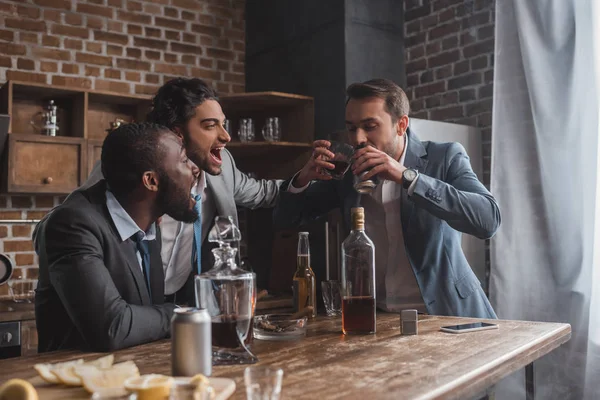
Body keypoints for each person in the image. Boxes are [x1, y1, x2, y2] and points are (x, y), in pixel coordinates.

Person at [35, 78, 280, 305]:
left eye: (223, 124)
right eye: (210, 126)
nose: (226, 136)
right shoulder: (132, 163)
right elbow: (61, 225)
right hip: (127, 303)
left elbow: (262, 194)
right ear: (177, 133)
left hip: (188, 299)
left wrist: (307, 180)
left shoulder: (220, 164)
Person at [273, 78, 501, 319]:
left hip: (447, 315)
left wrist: (407, 177)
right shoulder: (349, 172)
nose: (358, 138)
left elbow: (487, 220)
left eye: (370, 126)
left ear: (401, 125)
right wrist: (302, 180)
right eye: (352, 128)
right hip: (377, 319)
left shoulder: (443, 157)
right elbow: (285, 220)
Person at [35, 123, 198, 352]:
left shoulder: (149, 225)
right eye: (183, 160)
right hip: (77, 381)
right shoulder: (73, 225)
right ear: (151, 181)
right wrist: (187, 313)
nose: (194, 168)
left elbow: (147, 318)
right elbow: (112, 327)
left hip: (135, 376)